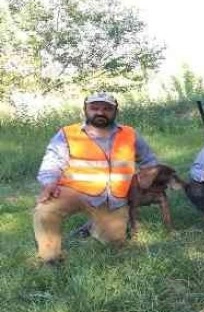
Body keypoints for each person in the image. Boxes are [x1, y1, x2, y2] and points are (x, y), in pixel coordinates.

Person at [33, 92, 158, 263]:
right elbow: (52, 161)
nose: (100, 112)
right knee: (45, 210)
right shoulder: (67, 133)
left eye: (107, 109)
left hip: (113, 199)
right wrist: (49, 183)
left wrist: (146, 181)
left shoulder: (129, 134)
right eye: (95, 108)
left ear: (115, 111)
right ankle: (50, 258)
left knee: (114, 244)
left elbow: (149, 161)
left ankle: (91, 228)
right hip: (74, 192)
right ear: (85, 109)